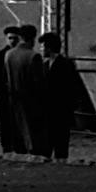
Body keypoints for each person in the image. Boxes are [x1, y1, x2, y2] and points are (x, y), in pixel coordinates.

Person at [38, 32, 88, 160]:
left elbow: (72, 87)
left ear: (49, 47)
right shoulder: (47, 64)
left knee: (60, 142)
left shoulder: (64, 64)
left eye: (43, 47)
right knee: (49, 141)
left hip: (60, 109)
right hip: (49, 109)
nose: (41, 49)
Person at [3, 24, 47, 155]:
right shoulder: (34, 56)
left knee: (18, 131)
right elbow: (38, 82)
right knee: (33, 131)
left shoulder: (8, 55)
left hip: (13, 97)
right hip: (31, 99)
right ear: (33, 38)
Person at [0, 26, 20, 153]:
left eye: (15, 38)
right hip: (5, 95)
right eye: (10, 38)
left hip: (17, 95)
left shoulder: (18, 55)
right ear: (6, 39)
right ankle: (6, 145)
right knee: (6, 121)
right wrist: (1, 94)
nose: (12, 41)